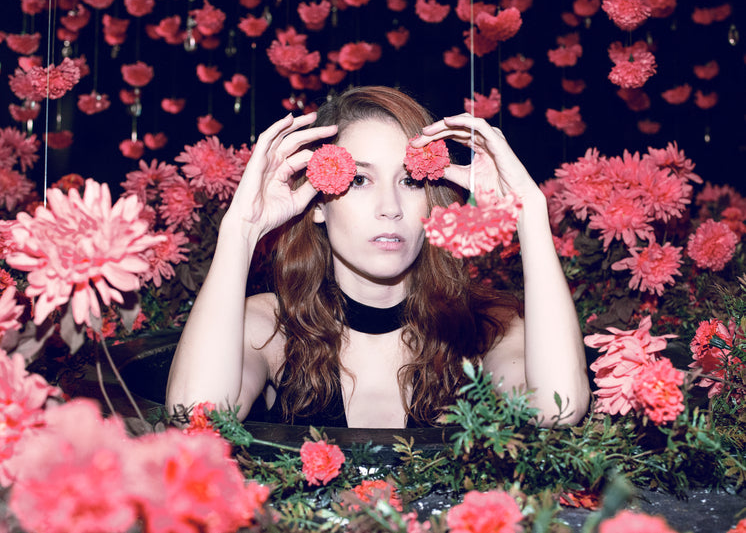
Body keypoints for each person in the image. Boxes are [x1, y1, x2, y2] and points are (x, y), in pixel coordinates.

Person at [166, 86, 590, 429]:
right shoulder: (270, 325)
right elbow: (194, 418)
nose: (391, 207)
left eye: (409, 180)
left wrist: (529, 213)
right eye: (360, 180)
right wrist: (240, 229)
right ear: (316, 202)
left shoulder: (486, 327)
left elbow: (559, 410)